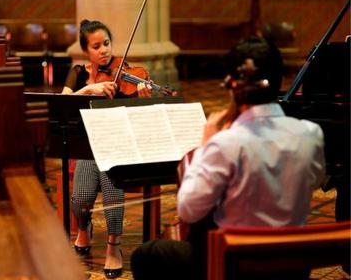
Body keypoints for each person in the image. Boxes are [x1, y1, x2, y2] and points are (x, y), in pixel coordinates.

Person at [130, 36, 326, 280]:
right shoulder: (310, 134)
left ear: (232, 85)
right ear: (279, 80)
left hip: (235, 268)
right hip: (291, 268)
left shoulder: (224, 144)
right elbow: (316, 180)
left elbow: (188, 210)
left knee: (148, 255)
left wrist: (204, 146)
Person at [62, 19, 152, 279]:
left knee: (112, 192)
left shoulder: (126, 76)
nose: (104, 50)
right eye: (96, 46)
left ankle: (114, 246)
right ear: (86, 51)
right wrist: (90, 88)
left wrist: (143, 99)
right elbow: (63, 102)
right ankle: (83, 225)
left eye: (107, 44)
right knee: (80, 198)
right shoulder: (78, 73)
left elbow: (142, 118)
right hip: (88, 147)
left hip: (117, 146)